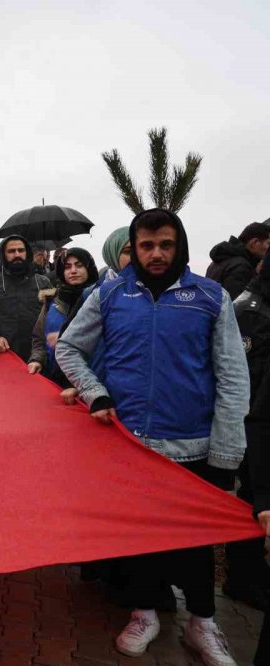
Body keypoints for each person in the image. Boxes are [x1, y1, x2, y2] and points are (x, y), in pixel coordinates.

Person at [56, 209, 248, 665]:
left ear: (179, 244)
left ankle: (203, 623)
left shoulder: (209, 297)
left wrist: (226, 452)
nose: (156, 254)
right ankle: (144, 613)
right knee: (139, 539)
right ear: (134, 248)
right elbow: (68, 347)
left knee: (197, 542)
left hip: (193, 446)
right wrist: (95, 393)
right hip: (129, 445)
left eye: (165, 244)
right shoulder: (110, 294)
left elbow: (232, 375)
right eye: (146, 246)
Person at [227, 255, 270, 613]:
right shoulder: (249, 310)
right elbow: (240, 372)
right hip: (254, 421)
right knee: (252, 499)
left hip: (257, 416)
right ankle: (242, 578)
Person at [27, 249, 99, 385]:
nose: (73, 271)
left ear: (89, 268)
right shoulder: (51, 301)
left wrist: (63, 339)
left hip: (89, 382)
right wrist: (37, 360)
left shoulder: (101, 300)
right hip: (53, 380)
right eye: (67, 267)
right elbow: (39, 339)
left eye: (79, 265)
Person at [206, 222, 270, 300]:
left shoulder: (219, 262)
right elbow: (239, 305)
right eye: (268, 243)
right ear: (254, 243)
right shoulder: (241, 266)